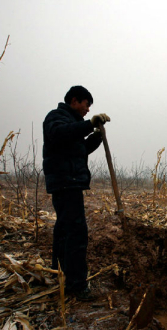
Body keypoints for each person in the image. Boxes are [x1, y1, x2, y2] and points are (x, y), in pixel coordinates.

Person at [43, 85, 110, 301]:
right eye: (86, 105)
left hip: (69, 182)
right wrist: (88, 125)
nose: (88, 110)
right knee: (76, 232)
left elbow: (78, 149)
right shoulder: (57, 117)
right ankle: (77, 284)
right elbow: (60, 134)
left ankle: (60, 270)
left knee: (64, 229)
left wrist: (96, 136)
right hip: (65, 182)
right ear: (74, 101)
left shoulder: (72, 124)